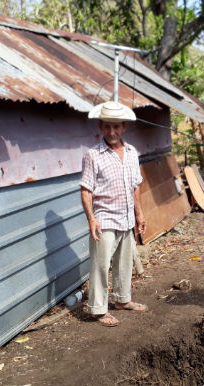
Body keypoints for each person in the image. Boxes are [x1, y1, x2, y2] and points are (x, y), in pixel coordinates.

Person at [80, 101, 148, 327]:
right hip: (105, 219)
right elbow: (86, 189)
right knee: (101, 265)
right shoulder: (93, 155)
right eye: (107, 127)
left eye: (116, 127)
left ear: (124, 127)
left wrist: (139, 215)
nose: (112, 132)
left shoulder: (131, 152)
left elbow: (136, 186)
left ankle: (121, 300)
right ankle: (98, 310)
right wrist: (91, 218)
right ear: (100, 126)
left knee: (124, 262)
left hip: (126, 218)